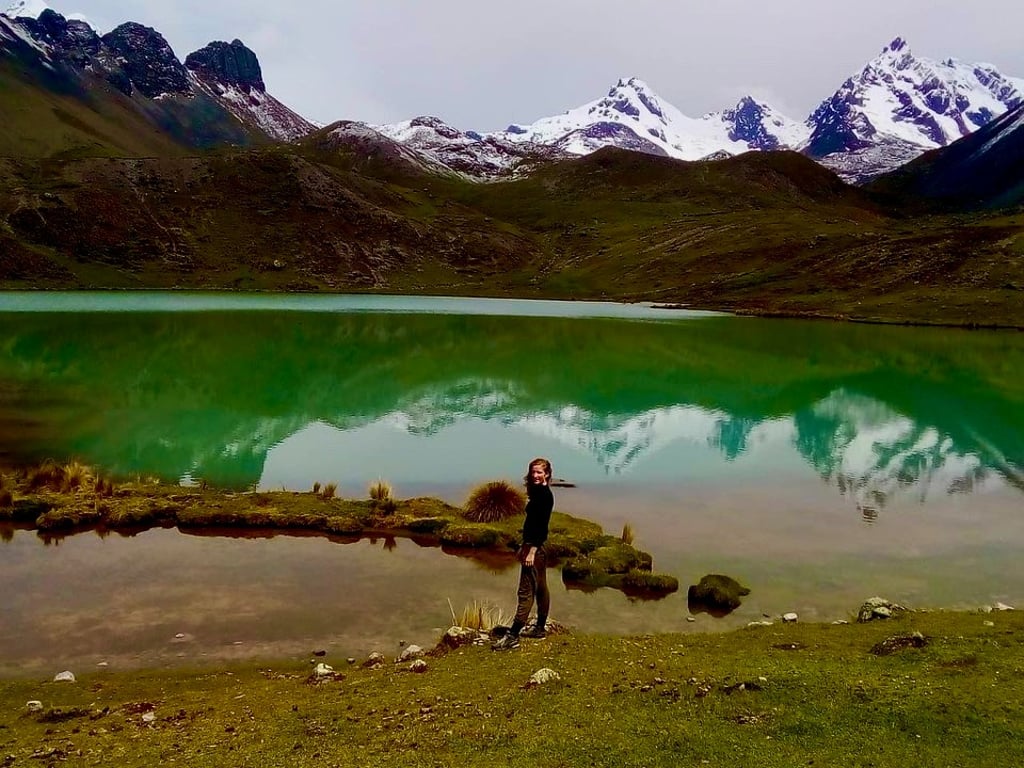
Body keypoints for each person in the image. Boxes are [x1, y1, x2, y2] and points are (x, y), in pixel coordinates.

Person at [493, 457, 554, 650]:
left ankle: (512, 636)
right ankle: (540, 628)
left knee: (525, 592)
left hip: (534, 550)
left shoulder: (544, 497)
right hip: (533, 548)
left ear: (547, 474)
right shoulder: (539, 493)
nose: (535, 475)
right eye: (533, 472)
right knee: (541, 587)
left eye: (539, 472)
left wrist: (531, 551)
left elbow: (542, 528)